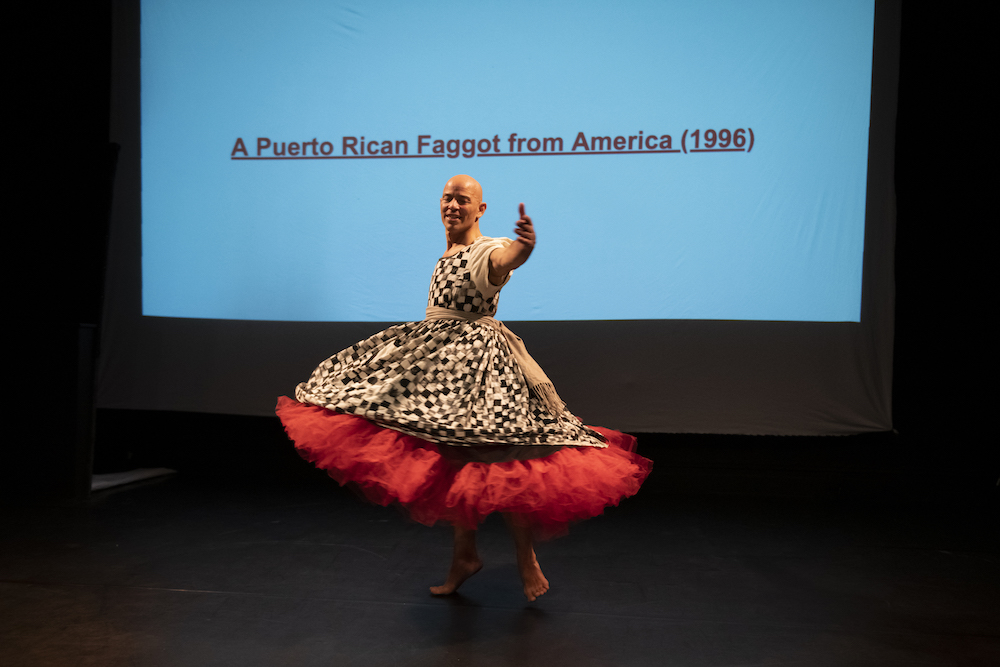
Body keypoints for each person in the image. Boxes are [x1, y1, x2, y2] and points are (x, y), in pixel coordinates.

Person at [276, 175, 652, 601]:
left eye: (463, 200)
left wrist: (522, 248)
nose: (452, 206)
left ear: (481, 209)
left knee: (508, 458)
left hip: (481, 371)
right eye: (447, 198)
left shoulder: (483, 250)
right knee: (456, 458)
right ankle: (464, 555)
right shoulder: (448, 252)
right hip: (444, 369)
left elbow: (503, 260)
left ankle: (526, 559)